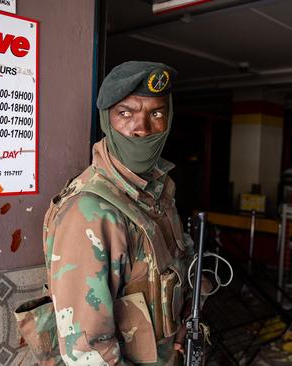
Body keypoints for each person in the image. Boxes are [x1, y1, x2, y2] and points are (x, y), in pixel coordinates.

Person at [43, 61, 195, 365]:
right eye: (126, 113)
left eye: (156, 114)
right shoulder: (90, 211)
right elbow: (87, 352)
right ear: (106, 120)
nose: (142, 128)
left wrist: (181, 323)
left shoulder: (159, 191)